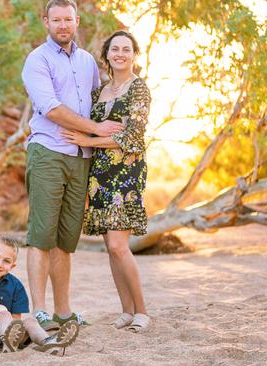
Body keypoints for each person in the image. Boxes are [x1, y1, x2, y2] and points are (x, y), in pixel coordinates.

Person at [21, 0, 124, 331]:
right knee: (41, 236)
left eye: (68, 19)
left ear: (76, 21)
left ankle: (63, 311)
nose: (63, 25)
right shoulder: (37, 60)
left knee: (66, 240)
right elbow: (51, 107)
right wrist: (94, 129)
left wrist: (105, 135)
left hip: (81, 158)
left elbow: (95, 104)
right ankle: (39, 310)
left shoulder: (87, 61)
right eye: (56, 19)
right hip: (49, 152)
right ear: (45, 22)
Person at [62, 30, 151, 332]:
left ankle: (142, 311)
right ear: (107, 54)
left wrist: (89, 137)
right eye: (115, 49)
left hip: (125, 174)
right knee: (110, 249)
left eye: (127, 49)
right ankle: (126, 311)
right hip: (99, 175)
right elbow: (100, 127)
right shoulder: (99, 90)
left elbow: (133, 137)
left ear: (134, 54)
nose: (120, 54)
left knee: (118, 245)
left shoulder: (138, 89)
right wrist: (94, 134)